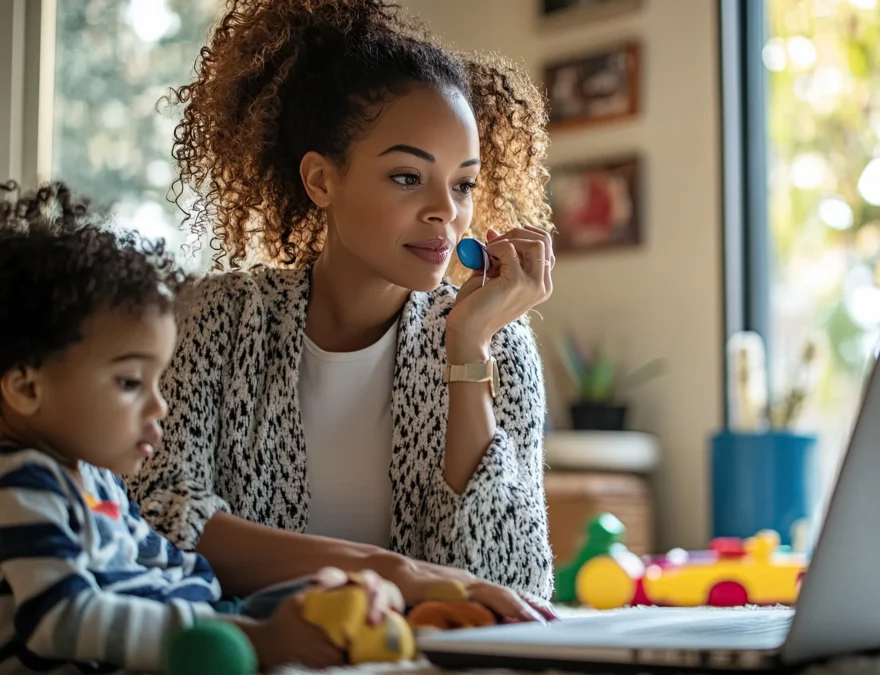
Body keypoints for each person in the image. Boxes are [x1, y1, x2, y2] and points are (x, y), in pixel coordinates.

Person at [129, 0, 558, 619]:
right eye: (408, 177)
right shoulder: (214, 321)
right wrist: (392, 574)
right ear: (321, 181)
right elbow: (157, 521)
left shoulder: (496, 340)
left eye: (463, 183)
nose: (446, 210)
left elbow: (508, 587)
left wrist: (468, 350)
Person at [0, 180, 404, 673]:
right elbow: (62, 621)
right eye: (130, 382)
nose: (160, 406)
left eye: (158, 380)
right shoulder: (21, 489)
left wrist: (301, 598)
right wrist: (256, 639)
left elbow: (185, 577)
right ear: (26, 388)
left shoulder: (97, 482)